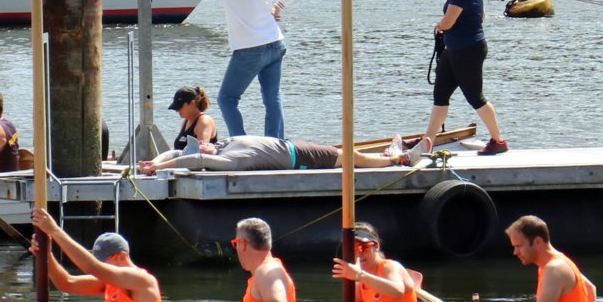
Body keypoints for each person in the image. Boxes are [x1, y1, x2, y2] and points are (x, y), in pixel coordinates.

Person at [142, 0, 303, 139]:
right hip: (276, 43)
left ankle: (242, 143)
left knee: (227, 98)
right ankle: (275, 145)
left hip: (250, 48)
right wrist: (278, 6)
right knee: (272, 98)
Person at [30, 209, 165, 302]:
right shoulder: (110, 282)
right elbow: (66, 283)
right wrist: (47, 254)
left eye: (104, 262)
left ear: (122, 256)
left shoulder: (142, 280)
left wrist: (54, 230)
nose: (102, 267)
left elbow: (92, 267)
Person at [427, 0, 508, 156]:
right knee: (440, 95)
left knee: (475, 97)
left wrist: (439, 26)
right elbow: (481, 15)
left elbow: (448, 21)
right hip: (454, 50)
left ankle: (498, 141)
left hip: (467, 50)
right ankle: (427, 141)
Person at [470, 216, 596, 302]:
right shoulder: (555, 264)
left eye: (518, 246)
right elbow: (591, 289)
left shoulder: (555, 268)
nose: (515, 252)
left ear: (537, 242)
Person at [327, 221, 424, 302]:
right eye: (353, 250)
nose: (359, 254)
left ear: (376, 246)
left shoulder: (390, 267)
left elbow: (397, 291)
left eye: (363, 247)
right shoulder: (359, 286)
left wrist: (359, 275)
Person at [137, 133, 410, 176]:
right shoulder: (228, 160)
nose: (205, 146)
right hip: (299, 157)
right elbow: (192, 159)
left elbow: (176, 151)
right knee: (350, 156)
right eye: (204, 147)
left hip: (294, 145)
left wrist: (154, 161)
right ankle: (395, 159)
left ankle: (390, 154)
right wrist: (158, 169)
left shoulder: (223, 146)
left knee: (345, 152)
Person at [167, 85, 220, 151]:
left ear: (192, 103)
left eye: (180, 107)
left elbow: (202, 152)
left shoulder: (204, 121)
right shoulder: (185, 121)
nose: (177, 110)